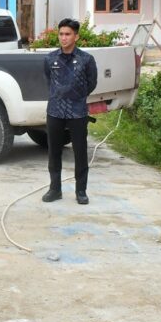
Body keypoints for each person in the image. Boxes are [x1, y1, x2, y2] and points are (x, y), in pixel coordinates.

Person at [41, 18, 98, 205]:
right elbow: (49, 81)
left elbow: (92, 83)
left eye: (68, 34)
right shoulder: (50, 59)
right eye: (61, 34)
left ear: (76, 36)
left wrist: (76, 96)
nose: (63, 38)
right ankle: (54, 189)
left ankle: (81, 190)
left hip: (77, 112)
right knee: (54, 151)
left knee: (80, 152)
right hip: (55, 111)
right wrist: (60, 97)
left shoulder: (86, 60)